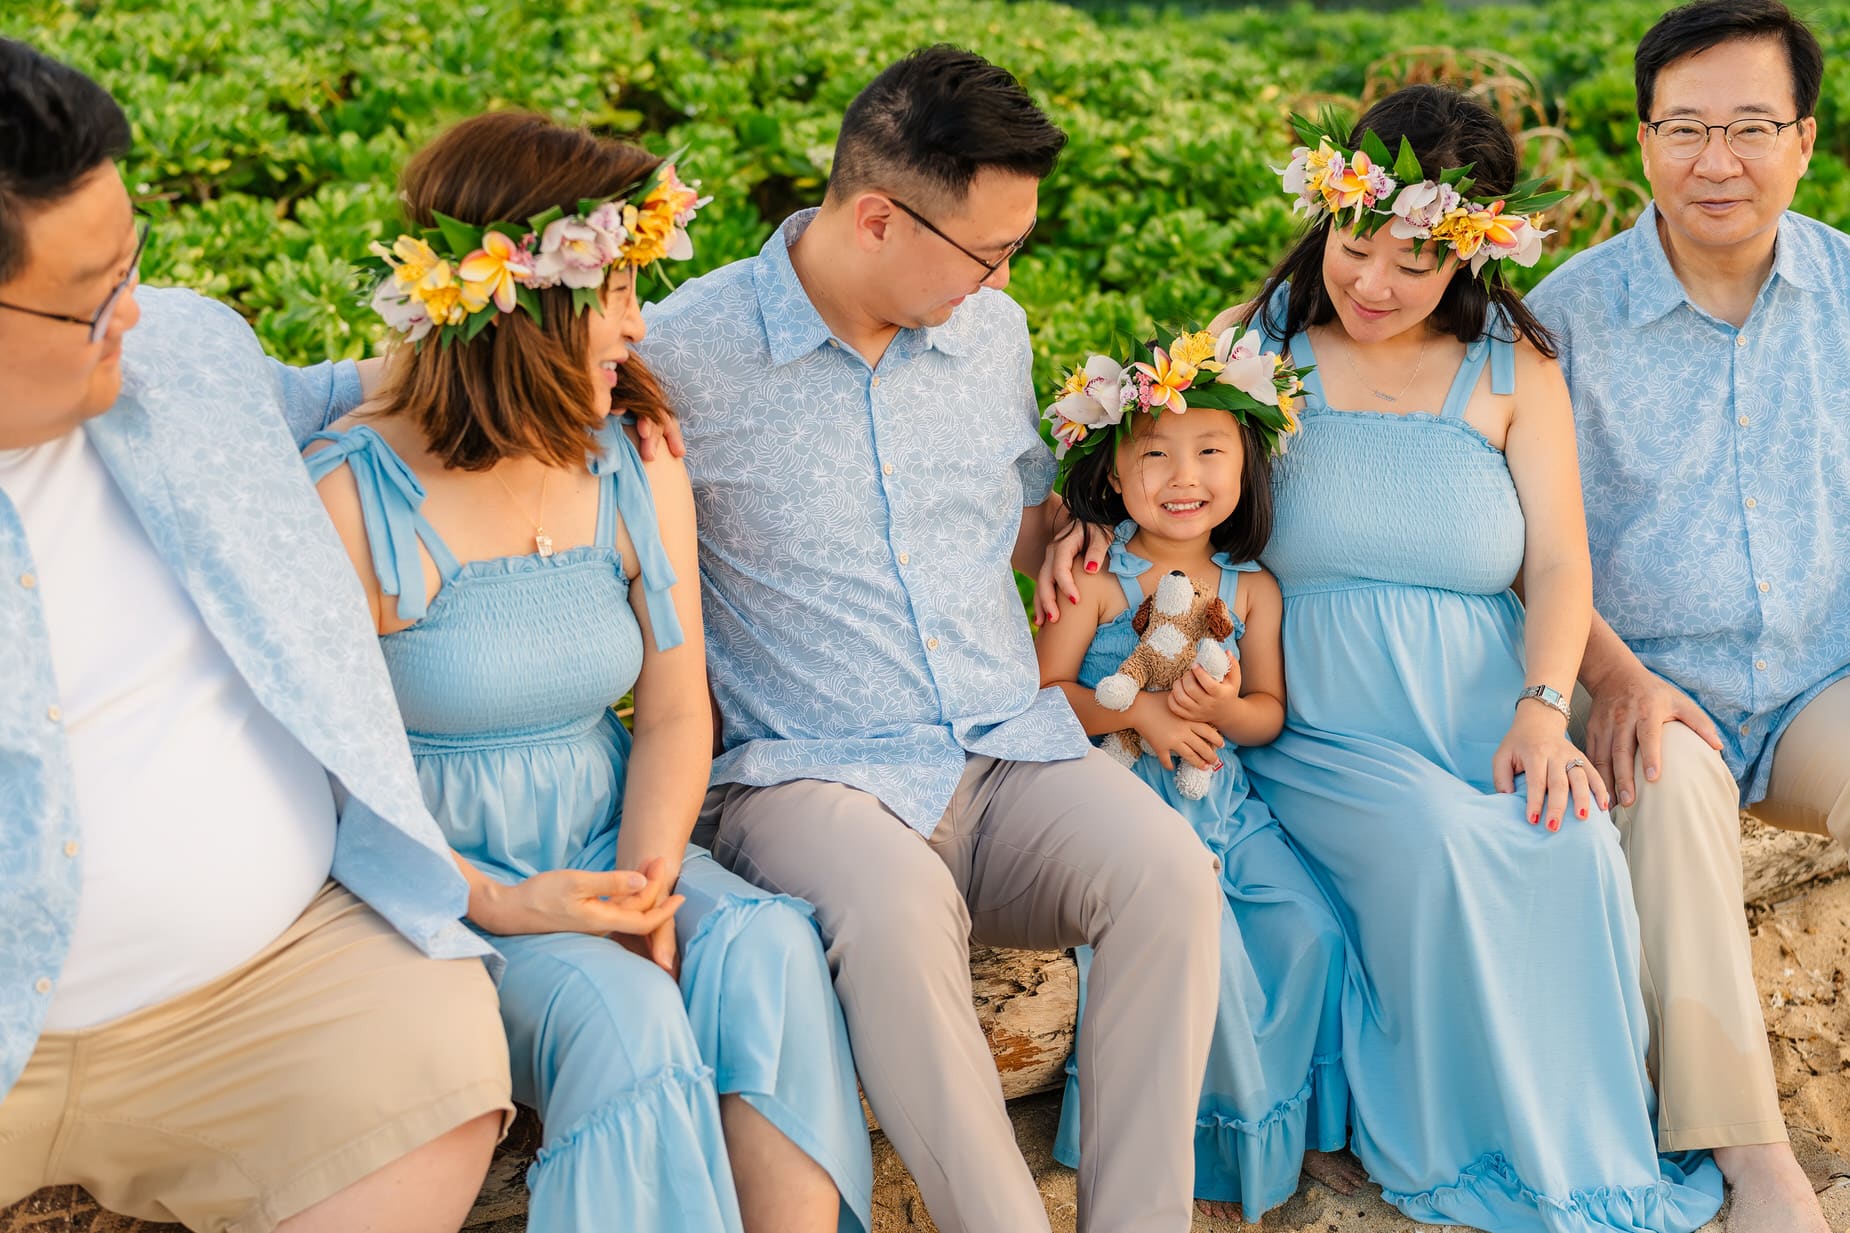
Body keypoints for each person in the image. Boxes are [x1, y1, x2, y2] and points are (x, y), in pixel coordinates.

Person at [640, 46, 1224, 1233]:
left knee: (1169, 874)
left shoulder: (987, 335)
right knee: (898, 906)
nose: (1002, 277)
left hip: (1002, 750)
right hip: (803, 775)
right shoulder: (677, 355)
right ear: (874, 217)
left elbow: (1012, 520)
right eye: (988, 251)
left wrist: (1064, 536)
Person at [303, 111, 873, 1233]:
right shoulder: (350, 501)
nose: (636, 320)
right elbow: (328, 795)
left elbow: (671, 709)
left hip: (609, 837)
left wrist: (644, 886)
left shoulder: (628, 457)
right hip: (446, 889)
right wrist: (509, 903)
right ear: (530, 303)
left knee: (765, 944)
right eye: (612, 290)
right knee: (622, 1016)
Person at [0, 38, 514, 1233]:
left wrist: (582, 374)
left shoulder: (180, 353)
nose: (134, 309)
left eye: (130, 262)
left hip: (270, 988)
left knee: (433, 1077)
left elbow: (357, 396)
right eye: (91, 299)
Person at [1213, 85, 1726, 1230]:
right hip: (1321, 720)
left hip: (1487, 702)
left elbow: (1555, 568)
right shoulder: (1260, 354)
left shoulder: (1509, 367)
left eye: (1416, 263)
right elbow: (1168, 487)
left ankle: (1587, 1164)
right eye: (1356, 247)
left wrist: (1545, 707)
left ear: (1471, 260)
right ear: (1325, 218)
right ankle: (1463, 1153)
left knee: (1567, 840)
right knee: (1447, 846)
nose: (1373, 284)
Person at [1527, 4, 1842, 1228]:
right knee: (1665, 794)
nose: (1719, 159)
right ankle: (1755, 1161)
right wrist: (1610, 680)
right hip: (1655, 691)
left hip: (1823, 680)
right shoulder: (1563, 319)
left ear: (1802, 140)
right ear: (1643, 140)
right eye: (1688, 128)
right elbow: (1531, 550)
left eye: (1751, 126)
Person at [1031, 328, 1358, 1224]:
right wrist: (1139, 711)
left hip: (1230, 805)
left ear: (1246, 465)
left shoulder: (1250, 587)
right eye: (1156, 454)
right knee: (1206, 953)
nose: (1185, 475)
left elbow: (1267, 712)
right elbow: (1046, 695)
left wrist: (1216, 711)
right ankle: (1198, 1150)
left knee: (1309, 929)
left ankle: (1291, 1132)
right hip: (1124, 802)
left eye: (1210, 451)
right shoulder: (1096, 574)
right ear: (1114, 475)